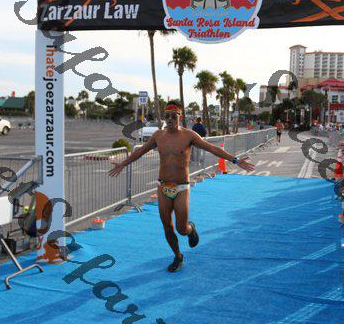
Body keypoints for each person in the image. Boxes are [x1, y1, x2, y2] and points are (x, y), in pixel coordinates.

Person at [109, 100, 255, 272]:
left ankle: (190, 229)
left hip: (181, 188)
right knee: (167, 226)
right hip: (163, 187)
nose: (170, 119)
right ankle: (178, 256)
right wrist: (123, 164)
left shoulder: (189, 136)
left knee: (181, 228)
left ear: (180, 116)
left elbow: (211, 148)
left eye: (173, 116)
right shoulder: (158, 136)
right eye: (167, 116)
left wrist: (235, 160)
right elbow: (140, 151)